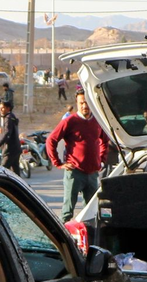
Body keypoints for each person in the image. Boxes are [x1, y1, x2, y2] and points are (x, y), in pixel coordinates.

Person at [47, 91, 110, 222]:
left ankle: (88, 239)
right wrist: (57, 163)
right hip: (74, 172)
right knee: (67, 211)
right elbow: (51, 140)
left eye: (87, 103)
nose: (84, 106)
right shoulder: (69, 121)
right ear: (77, 103)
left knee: (91, 212)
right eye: (81, 103)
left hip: (92, 174)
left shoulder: (98, 121)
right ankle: (60, 239)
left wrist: (102, 161)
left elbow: (105, 141)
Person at [0, 101, 21, 175]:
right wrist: (1, 130)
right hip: (15, 149)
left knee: (2, 171)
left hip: (10, 150)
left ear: (8, 108)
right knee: (16, 173)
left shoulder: (8, 118)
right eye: (0, 108)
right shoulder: (11, 116)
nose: (0, 110)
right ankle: (19, 186)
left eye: (3, 108)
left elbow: (7, 134)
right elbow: (9, 130)